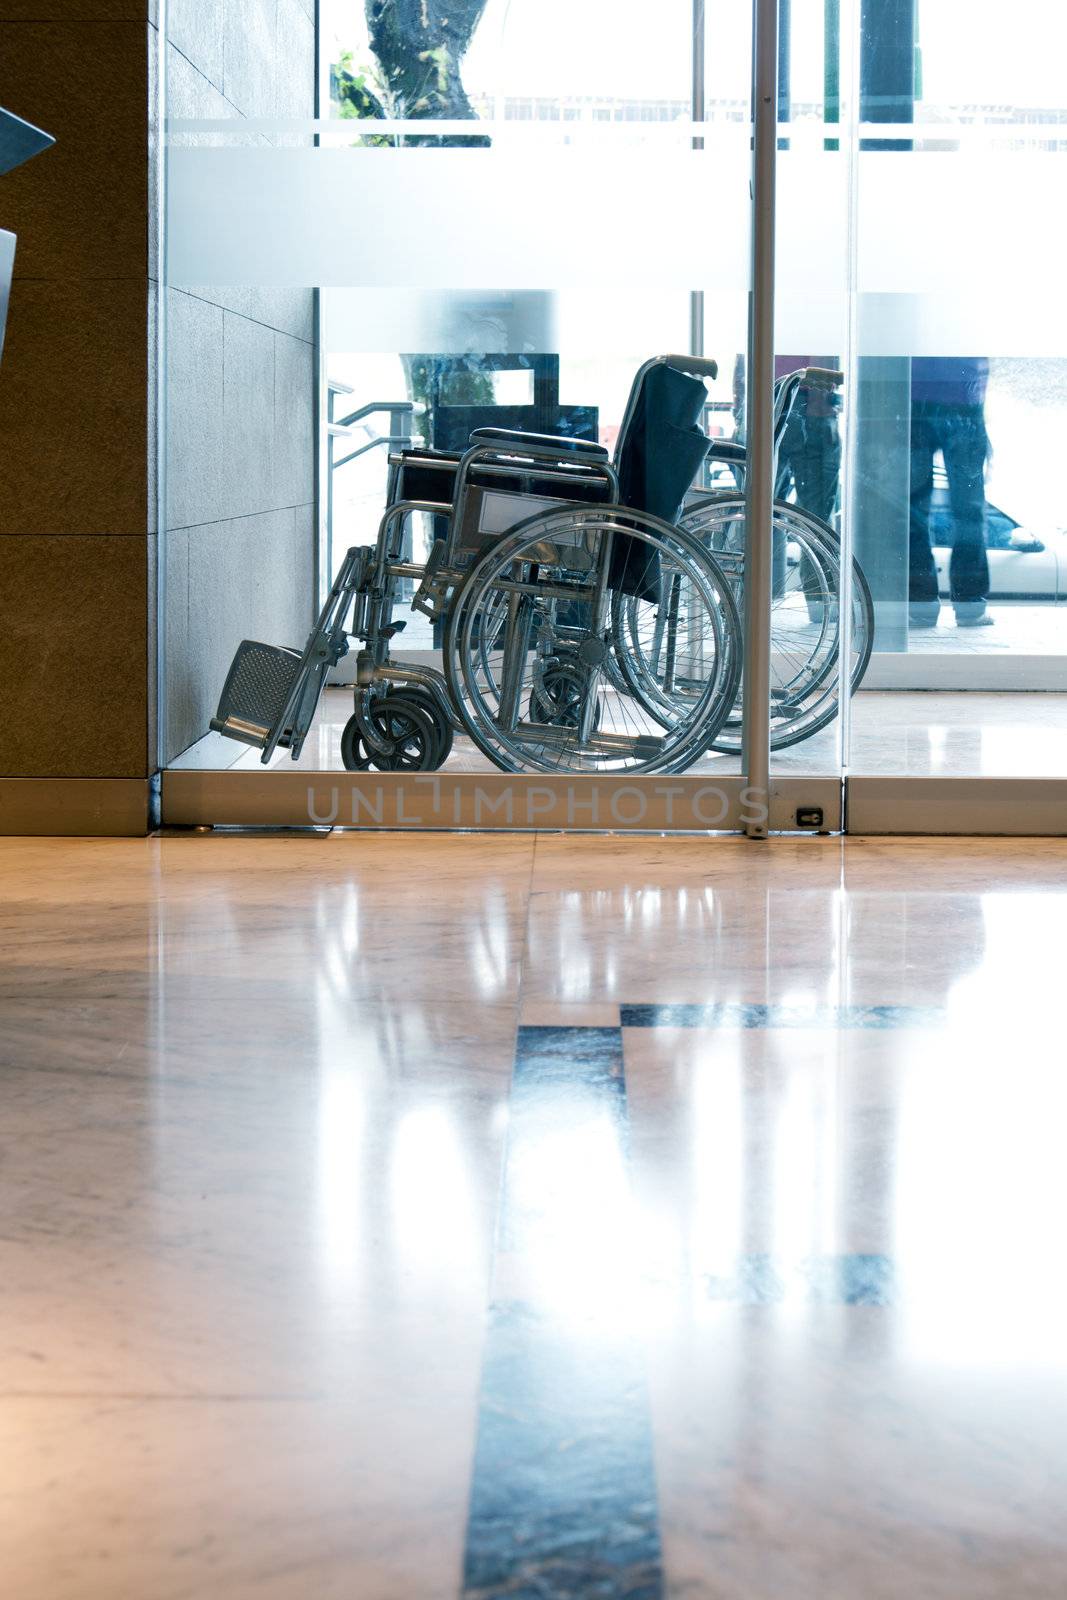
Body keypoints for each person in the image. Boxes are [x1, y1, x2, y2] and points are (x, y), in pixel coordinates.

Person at [909, 357, 992, 628]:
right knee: (969, 510)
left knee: (913, 509)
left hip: (915, 396)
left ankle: (921, 602)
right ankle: (969, 604)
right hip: (964, 399)